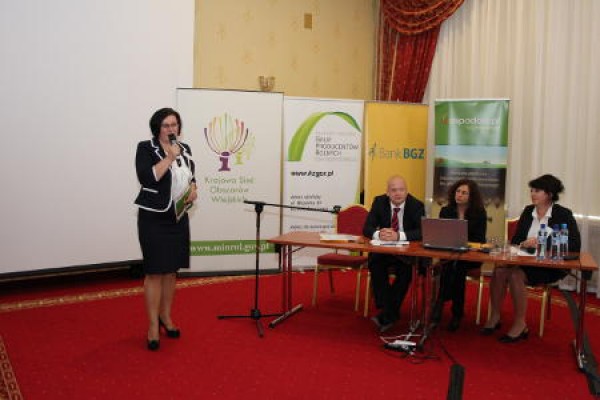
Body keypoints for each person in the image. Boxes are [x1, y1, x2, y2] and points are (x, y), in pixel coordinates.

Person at [481, 174, 580, 343]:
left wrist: (542, 242)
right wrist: (524, 243)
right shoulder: (528, 211)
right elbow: (516, 240)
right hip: (524, 260)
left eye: (537, 191)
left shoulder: (563, 214)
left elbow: (574, 244)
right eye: (532, 190)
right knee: (499, 271)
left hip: (549, 265)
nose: (532, 194)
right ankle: (495, 316)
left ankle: (520, 324)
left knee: (515, 275)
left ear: (549, 194)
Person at [135, 107, 198, 351]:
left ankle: (166, 317)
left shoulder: (186, 149)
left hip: (178, 218)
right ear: (157, 128)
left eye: (174, 124)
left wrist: (194, 190)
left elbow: (191, 176)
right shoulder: (145, 148)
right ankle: (152, 325)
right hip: (153, 219)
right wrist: (169, 157)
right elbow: (147, 178)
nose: (171, 129)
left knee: (171, 271)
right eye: (166, 125)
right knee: (154, 272)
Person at [363, 176, 425, 333]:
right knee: (375, 263)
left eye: (401, 190)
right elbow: (367, 228)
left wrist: (399, 236)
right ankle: (390, 311)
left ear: (407, 191)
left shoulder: (416, 205)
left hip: (406, 252)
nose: (398, 193)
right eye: (394, 190)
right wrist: (379, 234)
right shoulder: (379, 202)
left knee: (406, 271)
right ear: (387, 192)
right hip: (384, 250)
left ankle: (386, 312)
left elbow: (421, 231)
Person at [431, 179, 487, 331]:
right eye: (458, 191)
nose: (459, 195)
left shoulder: (479, 213)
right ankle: (457, 312)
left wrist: (466, 244)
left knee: (457, 266)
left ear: (471, 196)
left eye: (464, 193)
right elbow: (441, 235)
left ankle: (440, 303)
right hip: (450, 254)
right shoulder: (446, 211)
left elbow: (480, 240)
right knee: (453, 265)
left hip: (470, 257)